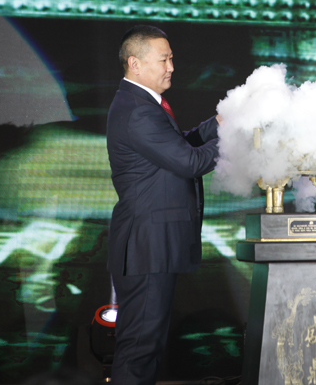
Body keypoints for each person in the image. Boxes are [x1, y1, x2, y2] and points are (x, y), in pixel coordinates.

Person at [106, 25, 220, 385]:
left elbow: (178, 145)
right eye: (164, 60)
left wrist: (218, 124)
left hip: (149, 247)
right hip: (147, 248)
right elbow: (189, 162)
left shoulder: (139, 104)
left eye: (171, 59)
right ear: (135, 63)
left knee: (146, 346)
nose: (171, 67)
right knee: (140, 349)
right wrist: (238, 133)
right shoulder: (138, 111)